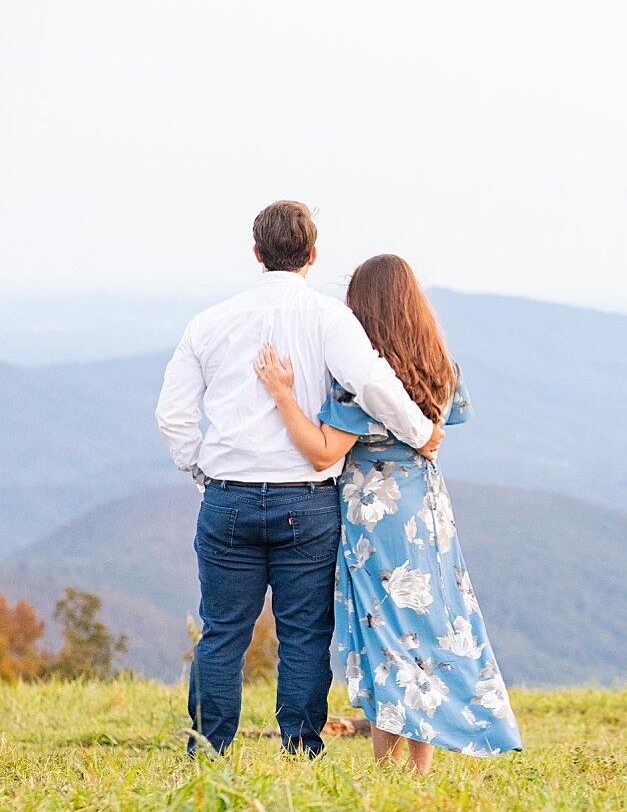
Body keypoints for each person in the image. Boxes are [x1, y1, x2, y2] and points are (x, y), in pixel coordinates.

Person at [155, 201, 444, 757]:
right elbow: (374, 385)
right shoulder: (330, 319)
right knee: (305, 637)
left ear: (257, 255)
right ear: (312, 255)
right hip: (307, 503)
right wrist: (420, 431)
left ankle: (208, 753)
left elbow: (173, 416)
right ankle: (301, 754)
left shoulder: (209, 322)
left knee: (222, 634)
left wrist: (203, 474)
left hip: (228, 498)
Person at [253, 253, 522, 772]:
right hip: (427, 511)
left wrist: (283, 396)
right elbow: (447, 422)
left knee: (386, 636)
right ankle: (417, 773)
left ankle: (387, 770)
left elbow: (323, 450)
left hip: (374, 514)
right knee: (425, 632)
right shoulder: (438, 364)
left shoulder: (362, 379)